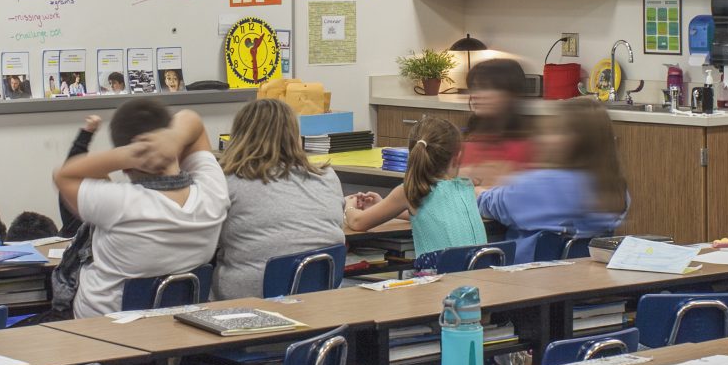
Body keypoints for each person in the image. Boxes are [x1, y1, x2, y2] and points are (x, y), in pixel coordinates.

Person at [51, 99, 226, 317]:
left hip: (99, 332)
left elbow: (63, 174)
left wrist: (130, 154)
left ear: (124, 164)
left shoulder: (120, 203)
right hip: (179, 329)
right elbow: (194, 122)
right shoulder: (213, 192)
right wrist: (173, 139)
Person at [210, 98, 344, 299]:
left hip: (248, 306)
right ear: (294, 135)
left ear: (239, 136)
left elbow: (205, 240)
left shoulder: (227, 180)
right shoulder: (327, 177)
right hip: (320, 303)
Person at [477, 99, 628, 241]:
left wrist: (475, 188)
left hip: (522, 266)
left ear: (577, 140)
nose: (544, 138)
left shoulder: (541, 184)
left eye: (556, 131)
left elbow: (486, 203)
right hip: (583, 267)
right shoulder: (616, 190)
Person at [345, 118, 485, 261]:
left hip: (437, 279)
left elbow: (357, 222)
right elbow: (431, 213)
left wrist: (348, 206)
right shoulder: (466, 185)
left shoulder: (409, 191)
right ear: (457, 157)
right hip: (477, 275)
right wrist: (389, 209)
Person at [458, 57, 534, 185]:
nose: (475, 95)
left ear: (511, 94)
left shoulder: (525, 148)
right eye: (474, 87)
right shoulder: (469, 141)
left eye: (486, 87)